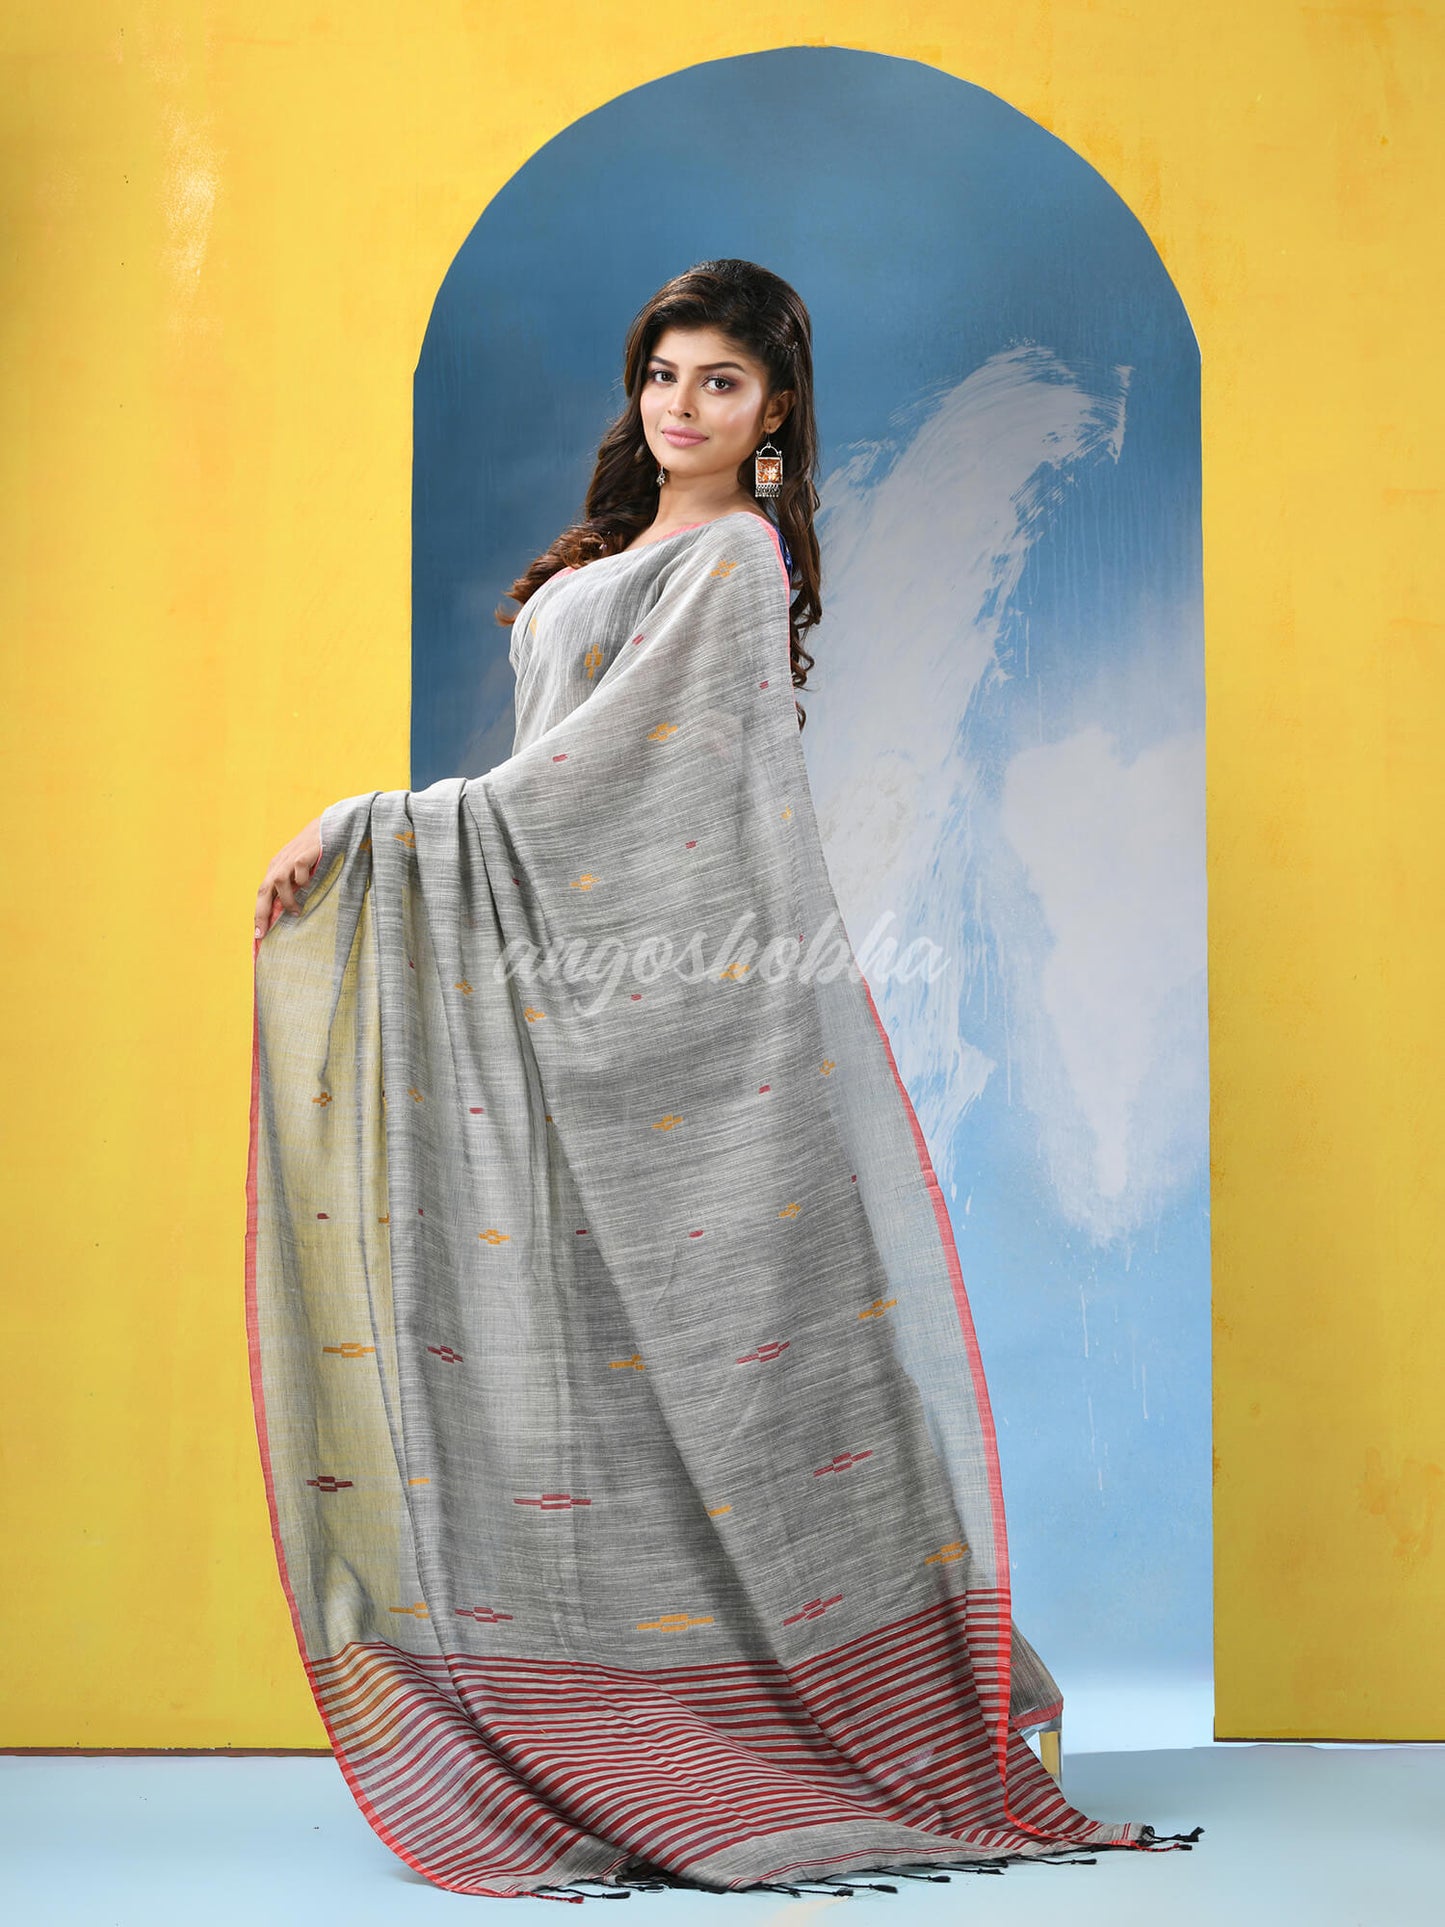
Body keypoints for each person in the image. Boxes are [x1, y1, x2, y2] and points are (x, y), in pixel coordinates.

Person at [245, 259, 1199, 1898]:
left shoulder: (734, 560)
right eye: (663, 375)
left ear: (774, 416)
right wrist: (420, 847)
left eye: (720, 384)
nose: (680, 407)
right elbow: (548, 780)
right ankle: (641, 1690)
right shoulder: (607, 556)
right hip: (547, 997)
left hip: (675, 1018)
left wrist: (372, 826)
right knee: (581, 1352)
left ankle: (910, 1697)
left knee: (744, 1356)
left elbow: (627, 791)